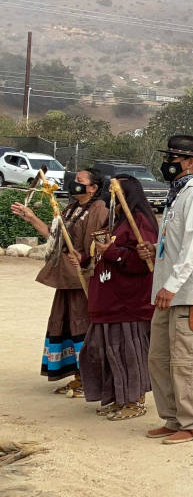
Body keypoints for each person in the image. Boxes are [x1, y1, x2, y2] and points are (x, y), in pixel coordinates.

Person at [140, 135, 193, 444]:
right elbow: (176, 245)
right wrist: (154, 249)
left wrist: (171, 285)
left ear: (189, 163)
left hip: (189, 293)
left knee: (186, 360)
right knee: (159, 357)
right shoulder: (178, 195)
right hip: (168, 292)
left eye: (173, 159)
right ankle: (173, 418)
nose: (167, 164)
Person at [11, 168, 110, 397]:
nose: (74, 183)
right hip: (66, 278)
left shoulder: (98, 210)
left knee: (82, 324)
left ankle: (90, 379)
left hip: (83, 279)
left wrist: (83, 259)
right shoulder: (71, 208)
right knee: (66, 323)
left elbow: (97, 247)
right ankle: (77, 376)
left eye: (80, 180)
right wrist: (31, 217)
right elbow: (55, 238)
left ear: (93, 188)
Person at [78, 175, 158, 420]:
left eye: (115, 192)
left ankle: (134, 401)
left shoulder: (140, 221)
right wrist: (83, 258)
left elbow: (143, 260)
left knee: (127, 352)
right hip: (108, 298)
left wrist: (112, 252)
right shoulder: (116, 222)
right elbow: (103, 254)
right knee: (105, 350)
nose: (109, 197)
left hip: (128, 301)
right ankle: (118, 398)